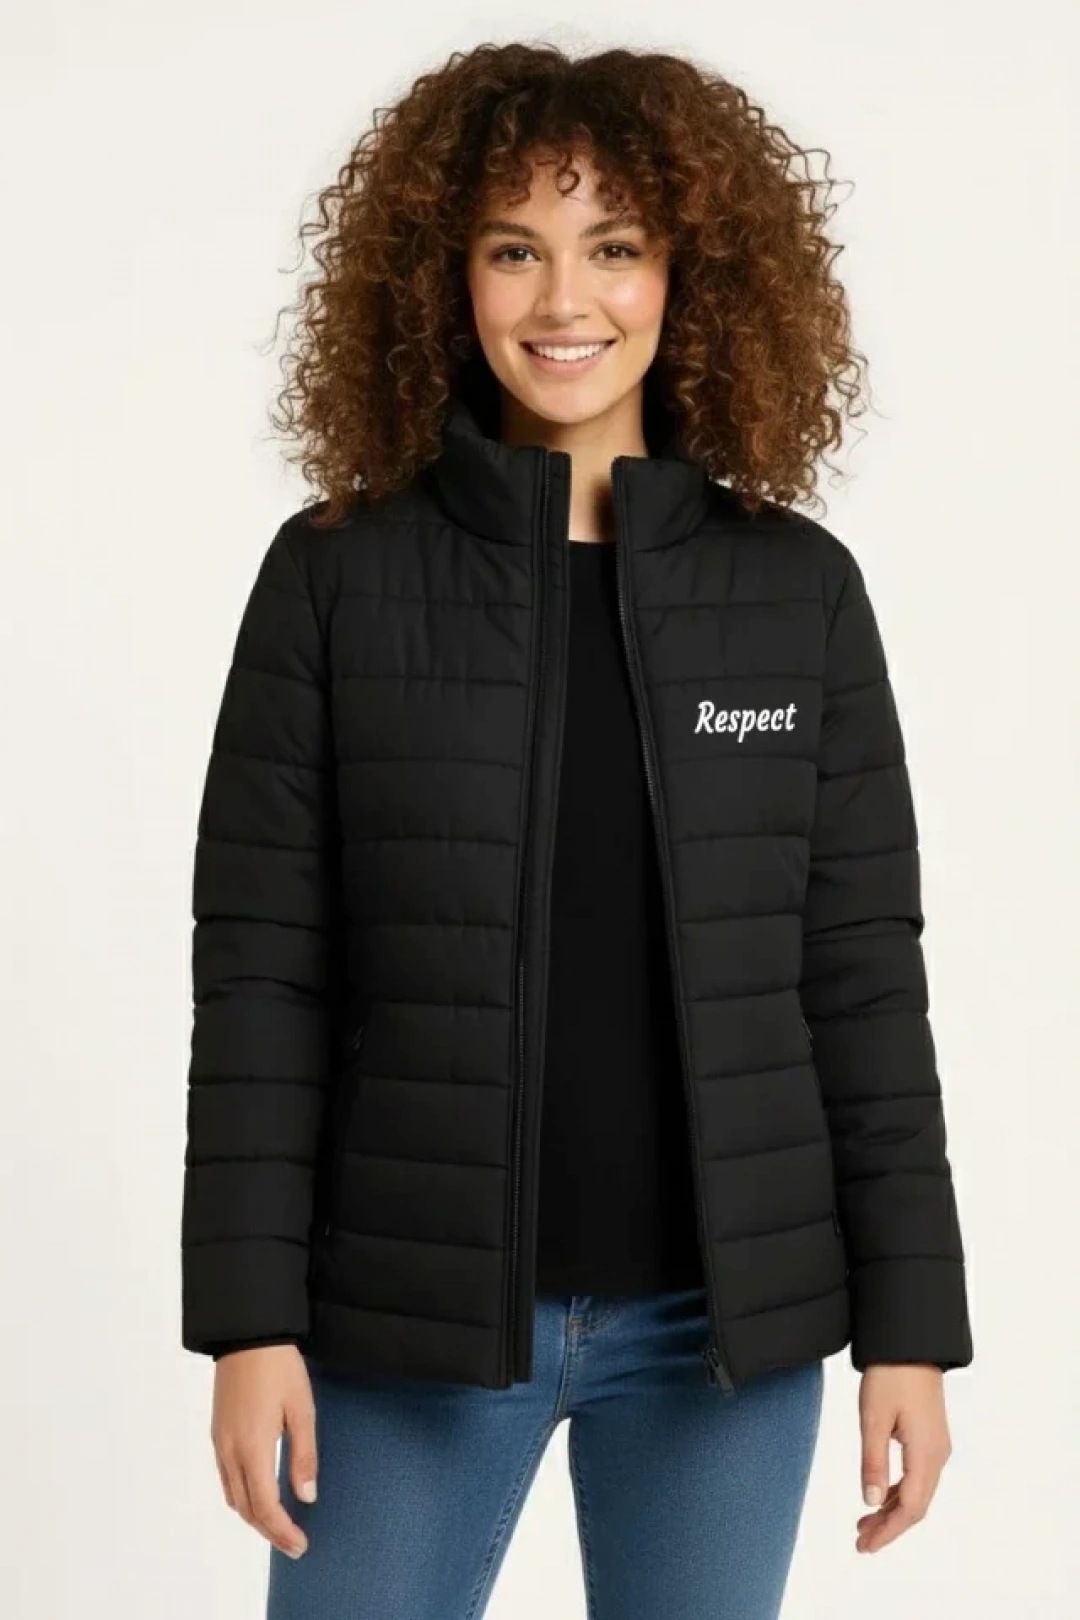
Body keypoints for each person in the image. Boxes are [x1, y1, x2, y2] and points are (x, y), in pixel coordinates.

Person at [180, 41, 973, 1620]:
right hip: (405, 1324)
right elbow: (263, 979)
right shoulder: (335, 579)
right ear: (446, 276)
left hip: (720, 1342)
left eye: (614, 247)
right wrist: (248, 1324)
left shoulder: (796, 594)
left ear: (690, 275)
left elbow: (863, 983)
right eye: (513, 249)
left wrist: (912, 1329)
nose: (565, 300)